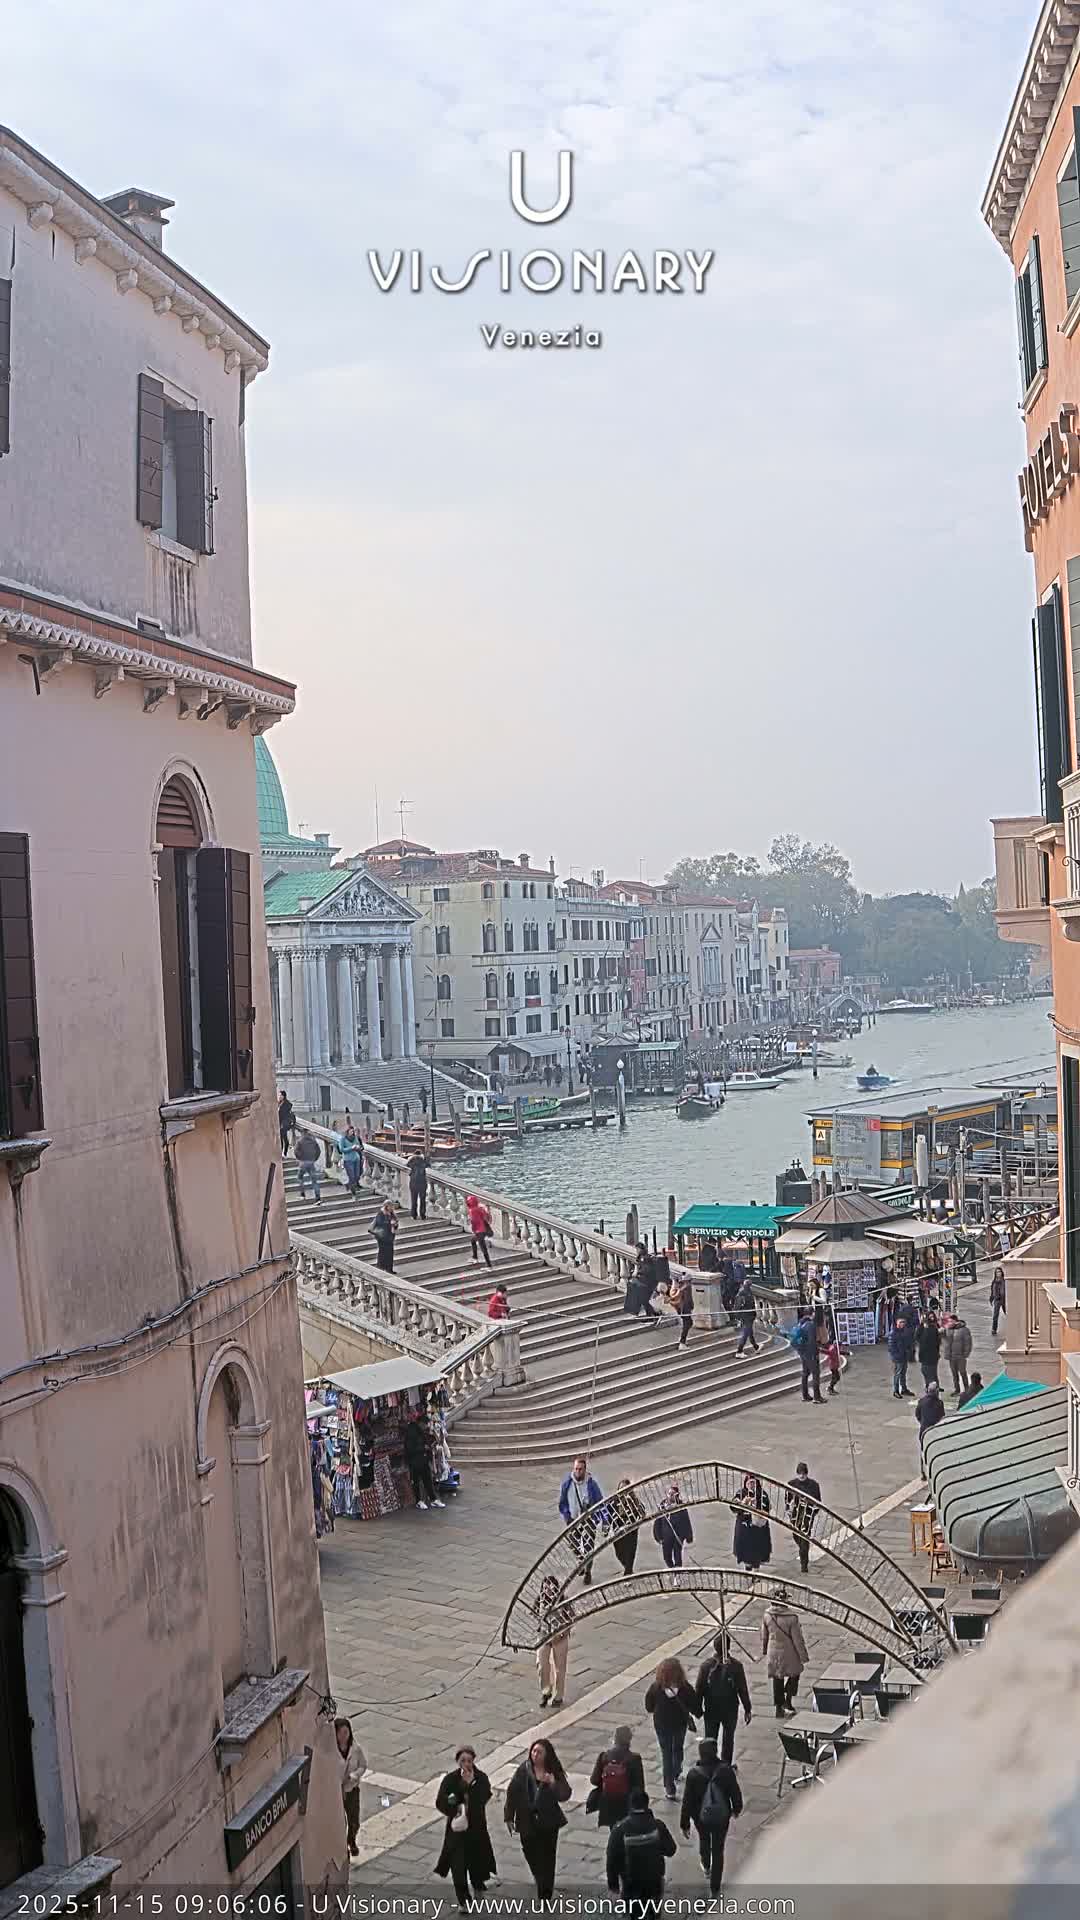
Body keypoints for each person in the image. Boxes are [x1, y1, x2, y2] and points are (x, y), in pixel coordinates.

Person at [503, 1739, 571, 1903]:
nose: (535, 1754)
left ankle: (545, 1893)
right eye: (533, 1751)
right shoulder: (524, 1769)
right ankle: (539, 1876)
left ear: (547, 1755)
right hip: (526, 1819)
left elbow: (565, 1794)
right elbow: (512, 1792)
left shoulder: (553, 1771)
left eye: (539, 1752)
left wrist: (553, 1783)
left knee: (548, 1858)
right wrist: (508, 1816)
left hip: (548, 1821)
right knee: (529, 1850)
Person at [435, 1745, 496, 1911]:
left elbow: (482, 1799)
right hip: (457, 1831)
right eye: (463, 1760)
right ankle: (464, 1900)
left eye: (469, 1760)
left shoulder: (481, 1778)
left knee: (476, 1864)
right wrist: (454, 1806)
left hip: (476, 1830)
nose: (466, 1764)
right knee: (458, 1868)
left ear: (474, 1760)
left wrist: (470, 1786)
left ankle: (478, 1888)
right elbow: (440, 1802)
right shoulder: (450, 1779)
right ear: (458, 1762)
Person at [680, 1737, 743, 1896]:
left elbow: (687, 1801)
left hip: (701, 1817)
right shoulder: (726, 1770)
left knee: (704, 1838)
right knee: (718, 1849)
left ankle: (706, 1864)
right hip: (721, 1816)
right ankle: (715, 1888)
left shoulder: (694, 1774)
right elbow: (735, 1792)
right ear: (715, 1752)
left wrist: (685, 1823)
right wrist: (736, 1808)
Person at [606, 1788, 677, 1910]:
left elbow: (612, 1859)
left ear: (630, 1805)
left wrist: (613, 1885)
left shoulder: (619, 1830)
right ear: (647, 1804)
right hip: (654, 1879)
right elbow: (671, 1850)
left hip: (630, 1881)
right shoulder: (657, 1825)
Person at [644, 1657, 697, 1802]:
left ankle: (669, 1787)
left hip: (661, 1725)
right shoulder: (685, 1688)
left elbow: (649, 1706)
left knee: (665, 1753)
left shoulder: (656, 1687)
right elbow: (694, 1704)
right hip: (679, 1724)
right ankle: (676, 1770)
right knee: (678, 1747)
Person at [693, 1633, 751, 1764]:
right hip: (730, 1708)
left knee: (710, 1737)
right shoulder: (736, 1666)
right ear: (729, 1647)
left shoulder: (706, 1666)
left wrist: (697, 1709)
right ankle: (726, 1764)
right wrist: (747, 1708)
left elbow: (699, 1689)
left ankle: (709, 1762)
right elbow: (742, 1689)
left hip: (711, 1707)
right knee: (728, 1737)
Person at [762, 1584, 809, 1718]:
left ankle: (778, 1706)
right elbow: (797, 1639)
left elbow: (764, 1635)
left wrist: (765, 1650)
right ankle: (788, 1700)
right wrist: (803, 1656)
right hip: (789, 1651)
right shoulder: (792, 1618)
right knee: (795, 1673)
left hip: (773, 1651)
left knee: (777, 1677)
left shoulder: (767, 1615)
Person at [558, 1456, 605, 1585]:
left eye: (580, 1469)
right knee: (573, 1543)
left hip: (588, 1519)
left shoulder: (591, 1484)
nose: (578, 1472)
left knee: (589, 1546)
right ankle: (581, 1561)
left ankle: (588, 1571)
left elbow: (600, 1501)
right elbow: (562, 1502)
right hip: (573, 1519)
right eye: (576, 1469)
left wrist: (599, 1518)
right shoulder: (567, 1483)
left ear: (585, 1470)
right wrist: (566, 1516)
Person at [587, 1726, 645, 1829]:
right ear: (629, 1739)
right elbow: (640, 1786)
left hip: (609, 1803)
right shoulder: (634, 1759)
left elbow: (594, 1780)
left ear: (615, 1738)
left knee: (614, 1831)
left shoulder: (604, 1756)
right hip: (627, 1803)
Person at [534, 1575, 574, 1708]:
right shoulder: (539, 1600)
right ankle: (546, 1691)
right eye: (545, 1587)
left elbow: (571, 1617)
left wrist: (565, 1631)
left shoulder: (563, 1600)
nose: (548, 1590)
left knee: (559, 1668)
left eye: (550, 1587)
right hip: (544, 1637)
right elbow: (534, 1613)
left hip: (559, 1637)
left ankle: (558, 1696)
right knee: (541, 1664)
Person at [335, 1716, 367, 1859]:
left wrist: (353, 1776)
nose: (344, 1736)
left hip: (352, 1790)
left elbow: (363, 1765)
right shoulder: (332, 1752)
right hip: (337, 1792)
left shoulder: (356, 1749)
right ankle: (342, 1848)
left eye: (346, 1732)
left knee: (354, 1821)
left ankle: (351, 1840)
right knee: (340, 1823)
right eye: (341, 1733)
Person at [785, 1461, 822, 1575]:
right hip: (796, 1514)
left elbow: (818, 1501)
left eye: (803, 1474)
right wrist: (789, 1510)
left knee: (804, 1536)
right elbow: (787, 1500)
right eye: (799, 1473)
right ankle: (803, 1549)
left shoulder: (814, 1485)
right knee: (796, 1535)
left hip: (807, 1514)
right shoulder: (791, 1484)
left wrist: (812, 1511)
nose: (801, 1476)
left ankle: (804, 1564)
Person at [403, 1409, 444, 1510]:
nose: (426, 1426)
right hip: (415, 1460)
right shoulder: (412, 1432)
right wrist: (423, 1448)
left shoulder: (421, 1431)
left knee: (427, 1480)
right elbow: (409, 1448)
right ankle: (419, 1501)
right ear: (420, 1423)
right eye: (425, 1424)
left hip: (423, 1459)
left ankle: (433, 1499)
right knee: (416, 1481)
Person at [732, 1473, 772, 1571]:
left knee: (757, 1551)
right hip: (744, 1529)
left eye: (753, 1483)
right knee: (746, 1550)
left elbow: (767, 1507)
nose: (751, 1485)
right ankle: (748, 1567)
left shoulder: (762, 1494)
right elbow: (733, 1507)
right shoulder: (740, 1493)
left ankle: (756, 1570)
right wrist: (743, 1503)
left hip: (758, 1529)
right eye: (749, 1483)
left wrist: (758, 1505)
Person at [609, 1477, 646, 1575]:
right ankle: (627, 1567)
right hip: (618, 1527)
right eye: (621, 1489)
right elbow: (608, 1513)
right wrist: (608, 1527)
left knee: (630, 1552)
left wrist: (636, 1508)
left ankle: (628, 1572)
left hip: (631, 1529)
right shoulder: (614, 1501)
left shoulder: (634, 1501)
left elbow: (642, 1513)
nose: (623, 1491)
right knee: (619, 1553)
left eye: (625, 1489)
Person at [653, 1483, 693, 1569]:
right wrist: (657, 1536)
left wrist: (689, 1536)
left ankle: (677, 1573)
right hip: (666, 1536)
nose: (670, 1496)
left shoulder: (681, 1506)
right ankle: (671, 1568)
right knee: (666, 1557)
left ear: (677, 1496)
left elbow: (686, 1521)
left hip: (678, 1536)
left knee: (677, 1555)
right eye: (669, 1494)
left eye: (673, 1495)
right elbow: (657, 1522)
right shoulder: (662, 1506)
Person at [791, 1309, 823, 1402]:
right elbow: (812, 1341)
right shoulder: (810, 1325)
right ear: (811, 1314)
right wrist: (815, 1352)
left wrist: (801, 1350)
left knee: (805, 1373)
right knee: (815, 1374)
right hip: (810, 1353)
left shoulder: (800, 1323)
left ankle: (805, 1395)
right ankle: (817, 1397)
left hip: (803, 1353)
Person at [942, 1314, 973, 1396]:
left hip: (960, 1356)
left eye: (951, 1321)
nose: (950, 1323)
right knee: (954, 1374)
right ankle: (957, 1389)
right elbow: (944, 1339)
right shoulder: (948, 1329)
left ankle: (967, 1389)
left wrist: (966, 1354)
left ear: (956, 1321)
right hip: (951, 1356)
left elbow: (968, 1343)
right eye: (949, 1321)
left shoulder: (964, 1330)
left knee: (963, 1372)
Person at [888, 1313, 913, 1398]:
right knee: (897, 1374)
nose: (903, 1324)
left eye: (904, 1322)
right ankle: (896, 1391)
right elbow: (891, 1347)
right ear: (897, 1323)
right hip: (898, 1357)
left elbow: (907, 1343)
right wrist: (896, 1356)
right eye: (901, 1322)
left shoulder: (904, 1331)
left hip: (904, 1356)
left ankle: (904, 1389)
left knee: (903, 1373)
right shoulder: (893, 1333)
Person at [294, 1128, 322, 1202]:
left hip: (303, 1162)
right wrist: (314, 1158)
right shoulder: (313, 1141)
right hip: (311, 1162)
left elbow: (296, 1152)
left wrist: (301, 1158)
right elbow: (318, 1151)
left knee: (299, 1177)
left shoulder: (299, 1141)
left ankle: (302, 1194)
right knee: (314, 1181)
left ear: (302, 1133)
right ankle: (318, 1198)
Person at [466, 1193, 494, 1266]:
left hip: (479, 1231)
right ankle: (475, 1257)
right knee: (473, 1241)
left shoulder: (472, 1210)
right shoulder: (480, 1208)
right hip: (483, 1229)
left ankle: (488, 1265)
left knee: (483, 1248)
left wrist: (474, 1230)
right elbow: (486, 1217)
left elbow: (474, 1221)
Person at [916, 1313, 941, 1390]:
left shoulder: (932, 1329)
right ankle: (932, 1389)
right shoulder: (924, 1328)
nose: (932, 1318)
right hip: (928, 1356)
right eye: (930, 1317)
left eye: (932, 1317)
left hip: (930, 1356)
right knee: (930, 1374)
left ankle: (932, 1390)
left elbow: (936, 1342)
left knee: (930, 1374)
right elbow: (917, 1337)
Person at [370, 1199, 397, 1272]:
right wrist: (389, 1223)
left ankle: (389, 1268)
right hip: (382, 1237)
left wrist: (395, 1224)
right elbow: (380, 1223)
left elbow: (395, 1224)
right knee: (382, 1252)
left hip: (390, 1236)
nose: (392, 1208)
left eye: (392, 1206)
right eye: (390, 1206)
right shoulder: (381, 1214)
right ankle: (381, 1268)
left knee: (390, 1252)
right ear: (386, 1206)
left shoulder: (392, 1214)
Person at [734, 1277, 759, 1354]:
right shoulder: (742, 1294)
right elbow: (738, 1307)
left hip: (749, 1316)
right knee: (746, 1333)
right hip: (746, 1316)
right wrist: (738, 1318)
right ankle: (739, 1350)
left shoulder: (748, 1292)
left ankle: (756, 1347)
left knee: (750, 1333)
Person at [673, 1270, 695, 1349]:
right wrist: (691, 1307)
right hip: (685, 1309)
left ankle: (682, 1338)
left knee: (688, 1323)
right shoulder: (687, 1287)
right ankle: (682, 1341)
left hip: (680, 1308)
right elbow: (688, 1299)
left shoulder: (681, 1287)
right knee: (688, 1323)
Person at [339, 1126, 363, 1197]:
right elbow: (342, 1149)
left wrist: (358, 1147)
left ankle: (348, 1185)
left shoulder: (355, 1138)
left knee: (357, 1175)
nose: (352, 1133)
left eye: (353, 1131)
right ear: (347, 1132)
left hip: (356, 1158)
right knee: (352, 1176)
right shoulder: (343, 1139)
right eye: (351, 1131)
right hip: (348, 1160)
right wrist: (351, 1148)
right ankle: (354, 1193)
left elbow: (359, 1144)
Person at [408, 1149, 429, 1221]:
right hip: (422, 1183)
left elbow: (407, 1165)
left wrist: (412, 1157)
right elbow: (428, 1165)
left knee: (413, 1199)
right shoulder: (423, 1161)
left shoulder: (412, 1161)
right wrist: (424, 1158)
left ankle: (414, 1215)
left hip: (413, 1183)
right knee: (422, 1200)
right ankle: (423, 1215)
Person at [990, 1265, 1007, 1335]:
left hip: (1004, 1299)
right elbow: (992, 1291)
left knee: (1008, 1313)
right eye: (997, 1272)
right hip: (997, 1299)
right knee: (995, 1316)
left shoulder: (1004, 1281)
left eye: (999, 1272)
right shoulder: (994, 1282)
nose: (998, 1273)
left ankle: (1014, 1327)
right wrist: (991, 1299)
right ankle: (994, 1329)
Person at [278, 1090, 295, 1155]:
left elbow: (284, 1113)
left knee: (283, 1138)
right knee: (283, 1138)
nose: (279, 1096)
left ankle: (284, 1153)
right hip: (280, 1123)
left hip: (284, 1123)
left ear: (284, 1096)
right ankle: (283, 1153)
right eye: (279, 1095)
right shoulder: (278, 1103)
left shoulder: (287, 1104)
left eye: (281, 1095)